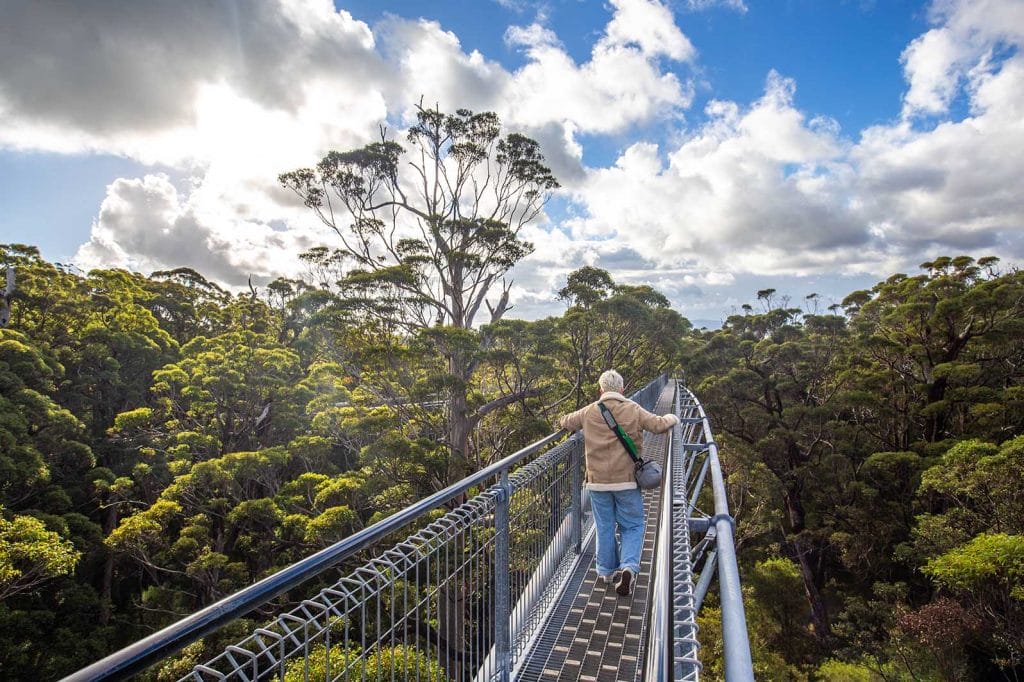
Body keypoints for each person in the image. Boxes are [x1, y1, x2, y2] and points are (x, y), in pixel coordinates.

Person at [559, 370, 678, 596]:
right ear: (622, 390)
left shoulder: (589, 411)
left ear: (600, 390)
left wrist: (562, 421)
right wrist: (673, 418)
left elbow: (566, 421)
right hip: (627, 482)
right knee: (632, 525)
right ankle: (629, 567)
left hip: (597, 483)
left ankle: (606, 571)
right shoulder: (633, 408)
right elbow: (658, 425)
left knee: (604, 526)